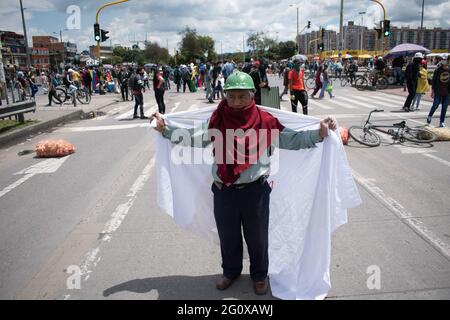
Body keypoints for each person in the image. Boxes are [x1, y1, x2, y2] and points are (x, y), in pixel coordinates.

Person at [152, 71, 337, 295]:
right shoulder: (217, 119)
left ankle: (259, 276)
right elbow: (192, 136)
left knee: (257, 238)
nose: (236, 102)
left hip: (255, 191)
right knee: (227, 236)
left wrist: (319, 133)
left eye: (242, 96)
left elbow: (291, 139)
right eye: (231, 96)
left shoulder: (265, 121)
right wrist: (166, 129)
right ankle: (231, 271)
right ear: (225, 96)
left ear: (252, 96)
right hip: (224, 190)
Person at [427, 57, 449, 127]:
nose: (446, 65)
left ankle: (441, 121)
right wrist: (433, 91)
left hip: (447, 92)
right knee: (435, 105)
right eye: (445, 62)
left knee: (444, 107)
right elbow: (433, 81)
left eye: (447, 63)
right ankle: (430, 116)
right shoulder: (438, 70)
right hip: (438, 91)